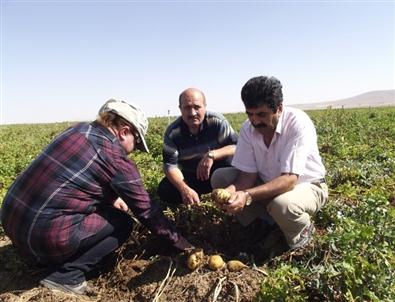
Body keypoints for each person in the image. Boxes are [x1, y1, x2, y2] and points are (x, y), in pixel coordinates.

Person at [0, 99, 193, 295]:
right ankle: (67, 276)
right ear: (124, 131)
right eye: (136, 143)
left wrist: (110, 198)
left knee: (103, 210)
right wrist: (180, 242)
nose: (133, 151)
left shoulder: (77, 131)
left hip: (12, 222)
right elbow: (147, 212)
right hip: (42, 237)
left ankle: (37, 257)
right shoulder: (115, 157)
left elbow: (75, 177)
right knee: (122, 223)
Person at [211, 76, 328, 259]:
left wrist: (247, 195)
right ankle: (266, 228)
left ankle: (302, 238)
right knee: (221, 177)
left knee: (283, 205)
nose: (255, 121)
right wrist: (231, 191)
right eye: (250, 114)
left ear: (279, 108)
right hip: (270, 186)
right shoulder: (248, 129)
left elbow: (289, 180)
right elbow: (246, 176)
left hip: (307, 187)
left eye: (261, 114)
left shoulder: (297, 123)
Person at [158, 88, 238, 205]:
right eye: (187, 108)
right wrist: (184, 189)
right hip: (193, 175)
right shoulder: (173, 133)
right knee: (165, 189)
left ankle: (219, 198)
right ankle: (195, 199)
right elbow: (170, 166)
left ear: (205, 106)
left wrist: (212, 155)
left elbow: (236, 146)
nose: (192, 113)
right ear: (180, 109)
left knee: (231, 178)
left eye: (197, 107)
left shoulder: (217, 122)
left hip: (219, 171)